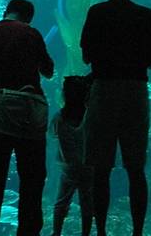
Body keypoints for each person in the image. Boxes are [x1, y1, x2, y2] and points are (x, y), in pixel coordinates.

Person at [79, 0, 151, 236]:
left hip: (104, 89)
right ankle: (137, 231)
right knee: (136, 168)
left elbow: (86, 54)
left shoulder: (97, 13)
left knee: (100, 168)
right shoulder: (146, 15)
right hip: (136, 90)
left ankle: (101, 230)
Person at [0, 0, 54, 236]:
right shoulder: (31, 33)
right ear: (28, 17)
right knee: (33, 176)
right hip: (29, 116)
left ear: (6, 11)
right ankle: (28, 230)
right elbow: (48, 70)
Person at [50, 75, 93, 236]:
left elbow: (52, 134)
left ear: (64, 95)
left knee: (61, 202)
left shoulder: (59, 117)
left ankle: (56, 232)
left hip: (67, 168)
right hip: (87, 166)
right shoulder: (89, 116)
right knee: (87, 202)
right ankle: (85, 233)